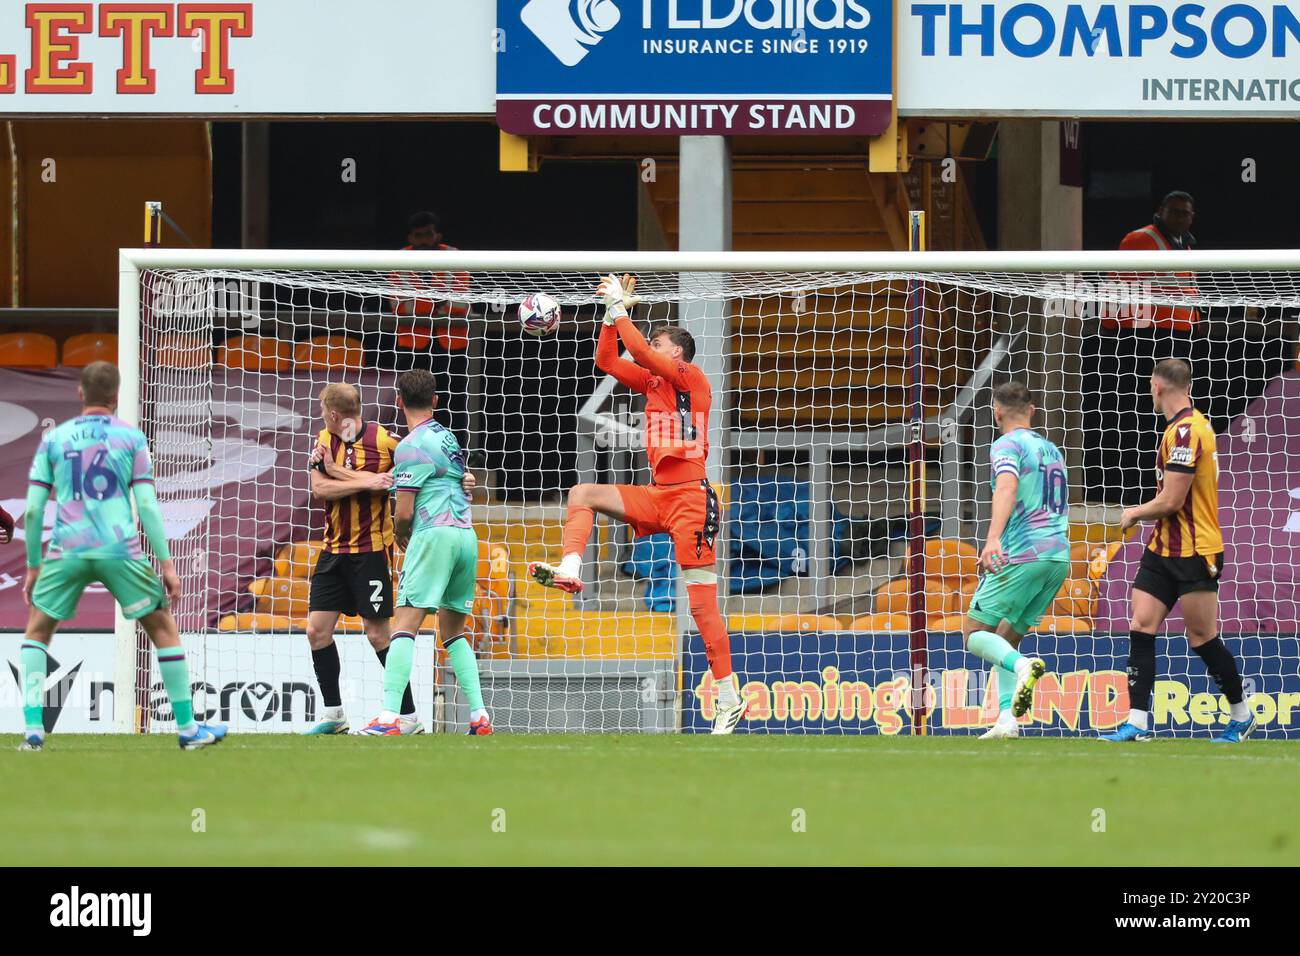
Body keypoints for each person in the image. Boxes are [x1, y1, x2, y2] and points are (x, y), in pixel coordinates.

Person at [527, 274, 745, 735]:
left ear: (676, 354)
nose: (650, 347)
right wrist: (611, 315)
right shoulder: (652, 383)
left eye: (658, 342)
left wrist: (620, 306)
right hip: (658, 495)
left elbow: (640, 351)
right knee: (582, 492)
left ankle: (729, 696)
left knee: (702, 606)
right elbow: (607, 358)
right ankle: (570, 568)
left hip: (691, 499)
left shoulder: (692, 378)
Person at [18, 362, 226, 751]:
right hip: (119, 548)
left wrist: (33, 566)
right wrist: (166, 564)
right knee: (163, 628)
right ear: (116, 396)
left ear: (80, 393)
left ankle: (33, 731)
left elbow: (31, 511)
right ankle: (187, 729)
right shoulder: (131, 438)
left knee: (38, 632)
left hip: (68, 549)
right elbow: (147, 505)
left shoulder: (55, 439)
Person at [1102, 359, 1253, 744]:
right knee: (1141, 624)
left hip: (1196, 550)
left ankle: (1241, 713)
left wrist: (1134, 512)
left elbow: (1171, 500)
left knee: (1202, 636)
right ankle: (1136, 721)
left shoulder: (1188, 431)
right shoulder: (1179, 429)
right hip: (1162, 548)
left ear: (1157, 387)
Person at [356, 370, 492, 736]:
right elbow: (463, 483)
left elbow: (403, 511)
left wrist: (401, 533)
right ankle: (479, 716)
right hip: (466, 535)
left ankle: (388, 718)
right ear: (435, 400)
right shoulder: (447, 437)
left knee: (404, 626)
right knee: (453, 631)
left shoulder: (410, 446)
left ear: (399, 401)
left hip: (434, 535)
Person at [301, 383, 411, 735]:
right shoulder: (323, 439)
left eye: (322, 411)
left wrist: (459, 476)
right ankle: (334, 716)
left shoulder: (387, 441)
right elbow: (319, 489)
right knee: (316, 631)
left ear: (334, 413)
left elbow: (408, 474)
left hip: (372, 553)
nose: (321, 417)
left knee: (378, 635)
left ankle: (406, 716)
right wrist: (367, 482)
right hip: (333, 552)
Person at [960, 382, 1066, 739]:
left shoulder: (1006, 444)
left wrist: (992, 540)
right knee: (1007, 637)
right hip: (1058, 557)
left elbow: (1006, 486)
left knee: (975, 633)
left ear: (997, 411)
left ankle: (1023, 668)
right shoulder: (1051, 450)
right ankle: (1007, 719)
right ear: (1032, 410)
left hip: (1023, 552)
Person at [1084, 190, 1201, 507]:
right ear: (1161, 211)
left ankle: (1173, 486)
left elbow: (1187, 286)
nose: (1179, 218)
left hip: (1179, 336)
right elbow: (1116, 285)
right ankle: (1140, 490)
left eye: (1185, 213)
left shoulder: (1186, 244)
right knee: (1144, 414)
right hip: (1146, 338)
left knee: (1176, 414)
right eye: (1174, 211)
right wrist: (1110, 329)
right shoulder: (1138, 240)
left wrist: (1195, 323)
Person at [386, 211, 471, 443]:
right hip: (412, 343)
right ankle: (412, 447)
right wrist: (438, 302)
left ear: (437, 235)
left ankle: (457, 450)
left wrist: (424, 303)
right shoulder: (399, 259)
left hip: (451, 343)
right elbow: (398, 305)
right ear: (411, 238)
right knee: (412, 400)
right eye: (418, 235)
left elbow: (462, 303)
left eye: (428, 234)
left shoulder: (454, 256)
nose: (424, 240)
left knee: (453, 402)